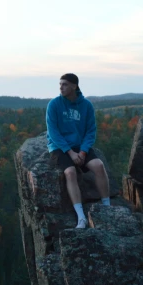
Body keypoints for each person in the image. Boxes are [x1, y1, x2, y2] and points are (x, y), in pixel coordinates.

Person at [46, 73, 110, 228]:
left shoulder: (86, 105)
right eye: (60, 84)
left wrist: (82, 152)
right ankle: (81, 216)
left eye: (65, 84)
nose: (61, 87)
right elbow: (53, 132)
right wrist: (70, 152)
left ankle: (107, 207)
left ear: (74, 86)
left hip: (80, 146)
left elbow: (90, 131)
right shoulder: (54, 104)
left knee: (99, 166)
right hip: (60, 147)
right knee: (70, 172)